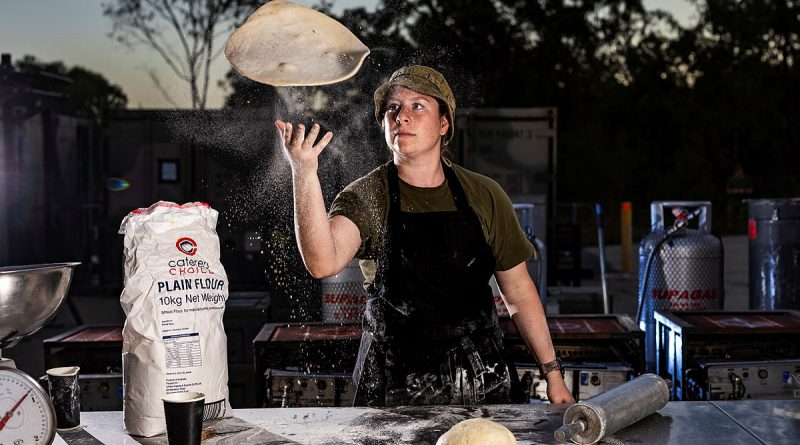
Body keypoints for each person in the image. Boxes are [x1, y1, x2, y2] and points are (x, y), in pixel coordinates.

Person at [275, 65, 574, 406]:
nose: (402, 116)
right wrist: (303, 172)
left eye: (418, 105)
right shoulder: (369, 196)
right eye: (393, 108)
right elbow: (321, 262)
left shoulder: (484, 195)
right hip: (393, 385)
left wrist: (552, 374)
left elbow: (519, 293)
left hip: (480, 381)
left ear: (444, 124)